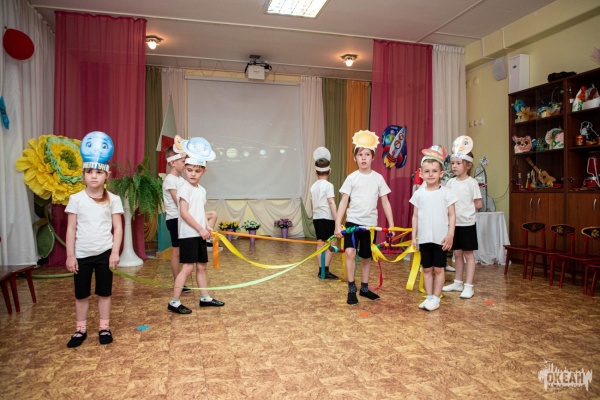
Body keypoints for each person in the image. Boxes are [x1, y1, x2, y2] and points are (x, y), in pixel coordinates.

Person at [65, 131, 123, 347]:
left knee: (104, 292)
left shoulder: (113, 199)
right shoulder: (75, 199)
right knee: (81, 294)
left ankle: (104, 327)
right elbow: (71, 228)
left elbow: (118, 227)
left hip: (104, 254)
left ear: (107, 175)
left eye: (99, 172)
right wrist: (70, 255)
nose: (94, 176)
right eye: (89, 172)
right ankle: (80, 330)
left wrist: (115, 252)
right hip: (81, 255)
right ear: (83, 174)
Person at [335, 130, 394, 305]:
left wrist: (391, 225)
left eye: (367, 154)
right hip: (353, 222)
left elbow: (385, 202)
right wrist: (338, 224)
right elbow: (343, 202)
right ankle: (351, 288)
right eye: (360, 154)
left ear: (372, 157)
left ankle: (365, 288)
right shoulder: (351, 178)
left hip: (370, 225)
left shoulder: (378, 178)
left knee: (367, 256)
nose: (363, 158)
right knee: (350, 253)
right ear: (355, 158)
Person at [167, 136, 224, 314]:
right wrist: (199, 228)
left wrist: (206, 226)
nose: (193, 174)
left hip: (198, 234)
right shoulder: (184, 188)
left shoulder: (201, 190)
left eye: (197, 171)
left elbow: (199, 212)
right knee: (188, 267)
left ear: (204, 172)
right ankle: (174, 301)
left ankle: (205, 298)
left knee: (201, 266)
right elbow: (184, 212)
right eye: (189, 170)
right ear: (184, 169)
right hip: (188, 235)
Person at [410, 145, 457, 312]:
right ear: (421, 174)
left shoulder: (447, 193)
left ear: (441, 174)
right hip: (424, 238)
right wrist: (413, 236)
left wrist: (450, 234)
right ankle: (429, 296)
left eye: (434, 171)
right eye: (427, 171)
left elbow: (452, 215)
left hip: (440, 238)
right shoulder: (419, 194)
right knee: (427, 268)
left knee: (439, 268)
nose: (430, 174)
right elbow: (415, 216)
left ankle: (436, 298)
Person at [442, 136, 482, 299]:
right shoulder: (451, 183)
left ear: (468, 165)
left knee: (468, 255)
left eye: (458, 163)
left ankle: (469, 286)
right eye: (453, 163)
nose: (454, 166)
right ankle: (458, 282)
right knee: (457, 254)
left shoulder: (472, 183)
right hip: (454, 224)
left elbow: (478, 203)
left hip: (467, 224)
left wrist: (465, 208)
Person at [162, 146, 190, 292]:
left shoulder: (180, 179)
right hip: (175, 219)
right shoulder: (170, 180)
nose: (185, 164)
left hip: (182, 218)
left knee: (181, 251)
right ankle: (177, 282)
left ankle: (181, 280)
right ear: (173, 163)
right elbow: (178, 202)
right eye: (183, 161)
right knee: (176, 252)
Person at [310, 147, 338, 279]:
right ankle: (325, 270)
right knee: (332, 243)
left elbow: (311, 204)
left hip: (316, 218)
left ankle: (321, 270)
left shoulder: (313, 187)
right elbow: (331, 203)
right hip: (327, 218)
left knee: (320, 243)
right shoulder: (329, 185)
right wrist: (337, 221)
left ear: (315, 172)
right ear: (330, 171)